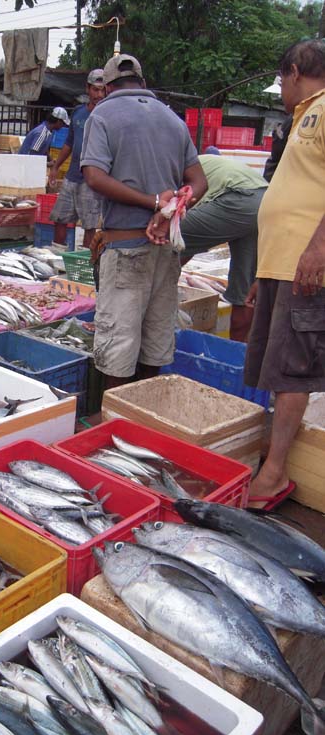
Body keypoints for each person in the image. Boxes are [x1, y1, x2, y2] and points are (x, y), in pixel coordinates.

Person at [80, 53, 207, 391]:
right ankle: (143, 407)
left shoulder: (102, 115)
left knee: (118, 344)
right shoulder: (173, 119)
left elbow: (93, 176)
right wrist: (169, 209)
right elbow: (199, 182)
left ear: (107, 87)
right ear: (143, 83)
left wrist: (154, 203)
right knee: (156, 337)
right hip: (166, 248)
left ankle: (117, 414)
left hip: (125, 248)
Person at [244, 39, 325, 506]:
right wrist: (264, 271)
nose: (279, 90)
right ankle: (272, 457)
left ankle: (273, 473)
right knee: (276, 367)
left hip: (306, 266)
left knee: (294, 369)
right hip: (282, 265)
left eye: (280, 80)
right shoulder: (302, 116)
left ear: (295, 71)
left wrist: (318, 248)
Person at [180, 153, 268, 341]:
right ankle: (238, 349)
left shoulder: (180, 169)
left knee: (164, 236)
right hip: (265, 201)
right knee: (243, 294)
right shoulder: (201, 162)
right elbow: (193, 242)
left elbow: (179, 239)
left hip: (238, 198)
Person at [47, 69, 106, 249]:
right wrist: (55, 167)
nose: (99, 94)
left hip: (92, 180)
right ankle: (58, 255)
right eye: (95, 89)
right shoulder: (79, 113)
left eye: (103, 90)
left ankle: (85, 260)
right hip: (71, 177)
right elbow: (69, 143)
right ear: (88, 89)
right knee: (59, 218)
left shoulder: (108, 115)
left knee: (89, 226)